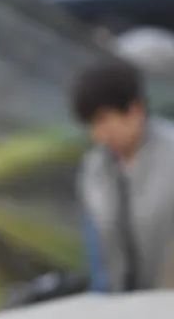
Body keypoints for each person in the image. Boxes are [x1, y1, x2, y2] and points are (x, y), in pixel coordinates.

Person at [71, 59, 174, 292]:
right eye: (91, 124)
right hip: (125, 306)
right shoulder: (94, 169)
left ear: (135, 110)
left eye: (104, 119)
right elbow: (99, 256)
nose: (99, 134)